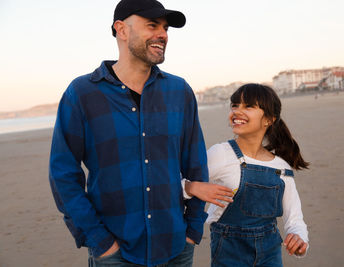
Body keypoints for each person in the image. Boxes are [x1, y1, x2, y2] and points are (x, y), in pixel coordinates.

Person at [48, 0, 231, 266]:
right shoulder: (82, 93)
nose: (163, 34)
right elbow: (63, 174)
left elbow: (195, 165)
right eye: (152, 25)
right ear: (121, 30)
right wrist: (99, 240)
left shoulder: (179, 92)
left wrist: (192, 230)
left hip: (175, 247)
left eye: (166, 28)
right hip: (114, 251)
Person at [204, 83, 310, 267]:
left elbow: (294, 218)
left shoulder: (281, 167)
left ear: (268, 119)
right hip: (229, 253)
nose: (237, 111)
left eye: (248, 106)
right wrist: (190, 188)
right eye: (235, 105)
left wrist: (300, 239)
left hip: (270, 255)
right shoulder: (220, 153)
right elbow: (180, 185)